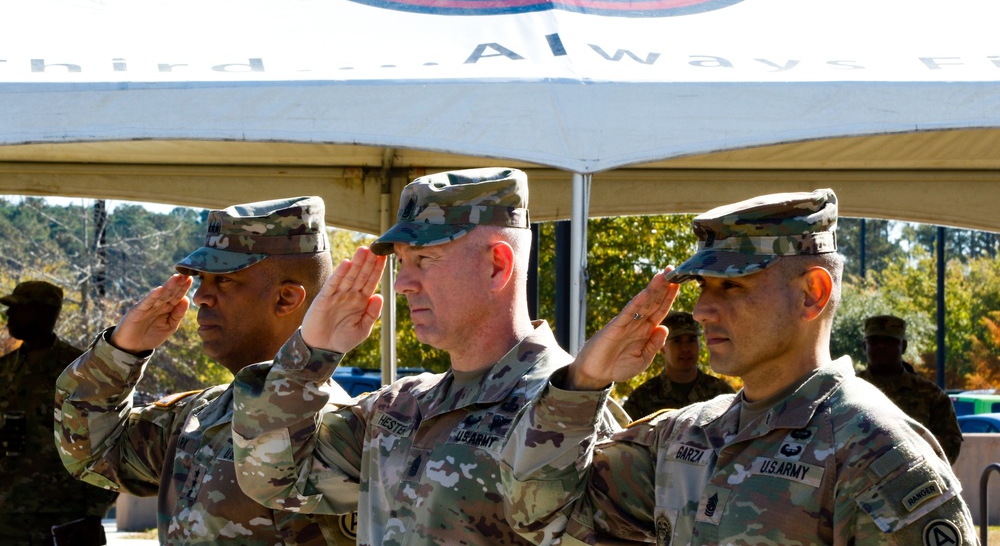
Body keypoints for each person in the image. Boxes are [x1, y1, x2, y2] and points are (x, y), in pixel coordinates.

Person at [501, 189, 976, 545]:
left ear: (811, 293)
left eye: (731, 286)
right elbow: (538, 515)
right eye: (702, 286)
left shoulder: (874, 454)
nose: (703, 309)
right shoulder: (689, 436)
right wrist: (583, 381)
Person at [229, 168, 625, 545]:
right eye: (402, 261)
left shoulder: (571, 414)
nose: (401, 283)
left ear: (496, 266)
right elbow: (271, 477)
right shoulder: (399, 408)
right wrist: (310, 354)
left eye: (424, 259)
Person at [54, 196, 359, 546]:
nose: (200, 297)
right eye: (201, 280)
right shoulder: (199, 416)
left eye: (224, 281)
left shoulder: (331, 433)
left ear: (286, 299)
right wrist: (122, 350)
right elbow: (89, 453)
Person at [0, 280, 118, 546]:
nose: (8, 315)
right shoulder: (4, 370)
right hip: (7, 515)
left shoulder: (81, 372)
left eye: (17, 308)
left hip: (65, 518)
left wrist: (94, 515)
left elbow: (106, 442)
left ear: (44, 313)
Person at [858, 314, 963, 464]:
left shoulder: (931, 395)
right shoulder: (849, 389)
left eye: (889, 341)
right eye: (874, 341)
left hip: (917, 481)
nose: (881, 346)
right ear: (864, 346)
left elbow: (950, 448)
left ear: (904, 347)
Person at [624, 311, 734, 420]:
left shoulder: (721, 393)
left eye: (691, 340)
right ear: (662, 347)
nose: (685, 348)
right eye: (677, 341)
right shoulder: (641, 399)